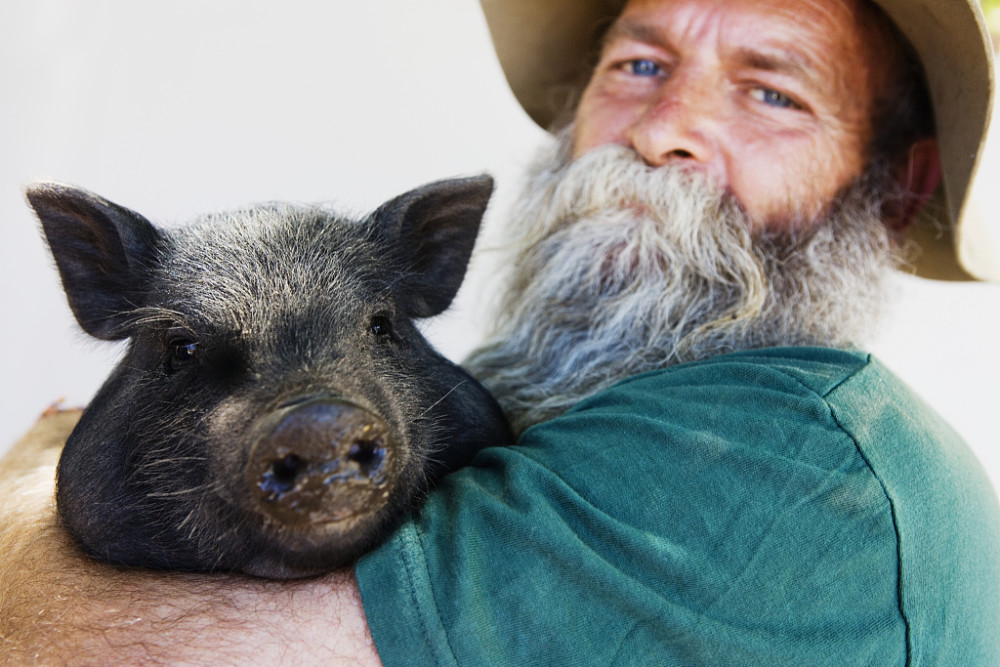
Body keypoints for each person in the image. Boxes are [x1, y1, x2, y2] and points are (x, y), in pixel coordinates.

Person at [2, 0, 998, 663]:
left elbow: (115, 644)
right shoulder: (495, 398)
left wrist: (38, 482)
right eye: (641, 64)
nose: (662, 131)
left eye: (770, 90)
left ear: (892, 191)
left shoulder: (795, 454)